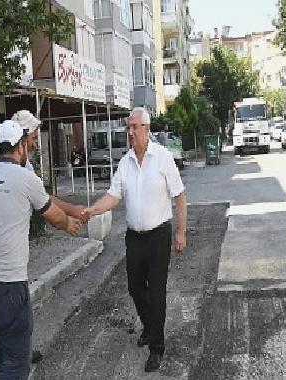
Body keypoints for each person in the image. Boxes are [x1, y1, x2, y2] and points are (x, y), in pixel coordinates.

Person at [0, 120, 81, 379]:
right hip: (8, 281)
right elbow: (53, 215)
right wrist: (69, 224)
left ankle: (0, 366)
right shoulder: (25, 178)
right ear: (20, 146)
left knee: (17, 328)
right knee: (16, 364)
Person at [83, 107, 187, 372]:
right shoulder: (125, 162)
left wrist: (181, 231)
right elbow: (114, 196)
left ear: (146, 129)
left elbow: (179, 196)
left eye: (134, 127)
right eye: (128, 127)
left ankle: (157, 347)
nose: (129, 132)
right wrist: (92, 210)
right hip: (134, 237)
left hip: (159, 235)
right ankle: (150, 327)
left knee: (157, 291)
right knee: (134, 287)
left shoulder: (163, 158)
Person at [11, 109, 87, 222]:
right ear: (22, 140)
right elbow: (44, 202)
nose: (35, 145)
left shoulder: (23, 165)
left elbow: (41, 195)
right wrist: (70, 218)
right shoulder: (18, 171)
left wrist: (72, 210)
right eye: (34, 138)